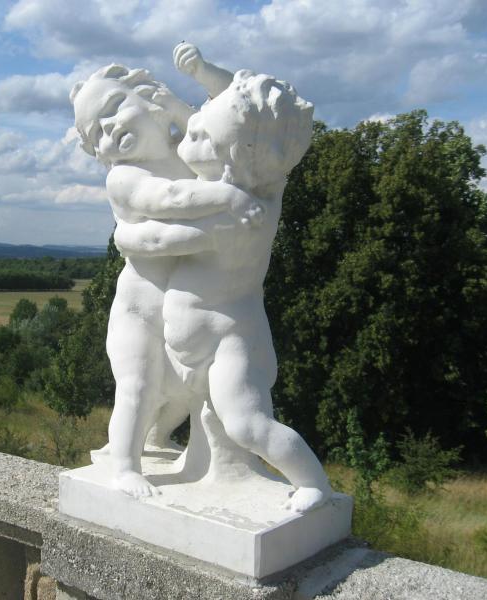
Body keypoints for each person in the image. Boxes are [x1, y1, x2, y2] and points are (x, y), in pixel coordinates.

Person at [114, 63, 332, 513]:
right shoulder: (244, 183)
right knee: (201, 416)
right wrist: (201, 72)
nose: (186, 134)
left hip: (231, 341)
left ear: (233, 159)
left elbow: (154, 239)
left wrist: (123, 234)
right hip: (199, 342)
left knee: (247, 424)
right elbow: (238, 106)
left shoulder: (239, 215)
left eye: (200, 137)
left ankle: (313, 483)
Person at [70, 63, 259, 497]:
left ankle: (159, 440)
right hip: (138, 311)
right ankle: (125, 467)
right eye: (96, 133)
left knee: (186, 393)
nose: (109, 129)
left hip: (185, 309)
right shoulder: (124, 177)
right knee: (138, 387)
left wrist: (183, 96)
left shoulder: (185, 150)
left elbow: (214, 120)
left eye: (113, 108)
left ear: (148, 98)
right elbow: (170, 198)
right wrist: (228, 199)